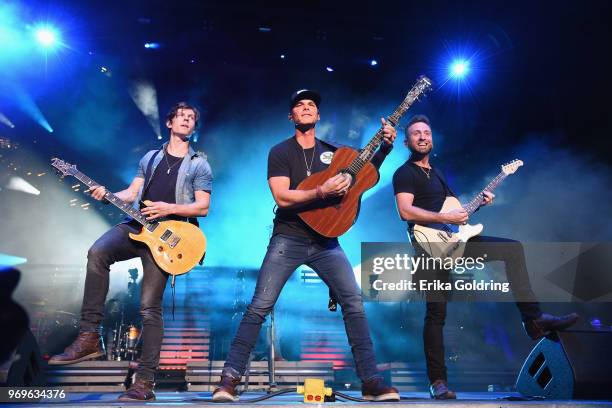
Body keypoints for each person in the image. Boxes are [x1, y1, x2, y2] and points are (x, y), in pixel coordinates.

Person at [212, 89, 399, 402]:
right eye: (300, 105)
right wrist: (321, 192)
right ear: (291, 116)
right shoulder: (280, 152)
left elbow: (364, 177)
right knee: (260, 306)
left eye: (312, 105)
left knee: (353, 303)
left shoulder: (335, 152)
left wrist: (385, 149)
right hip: (289, 236)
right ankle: (228, 380)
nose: (307, 108)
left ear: (318, 115)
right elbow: (282, 197)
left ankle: (371, 381)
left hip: (326, 242)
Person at [392, 114, 579, 399]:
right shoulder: (404, 173)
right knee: (436, 314)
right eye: (415, 133)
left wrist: (480, 203)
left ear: (432, 138)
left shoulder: (438, 174)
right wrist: (444, 216)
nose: (421, 136)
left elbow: (459, 214)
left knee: (512, 248)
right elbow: (405, 211)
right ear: (406, 141)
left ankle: (534, 319)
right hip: (427, 246)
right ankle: (437, 382)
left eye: (426, 132)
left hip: (453, 239)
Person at [48, 102, 212, 402]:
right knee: (97, 253)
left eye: (192, 119)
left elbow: (203, 206)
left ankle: (144, 383)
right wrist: (104, 193)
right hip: (137, 225)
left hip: (168, 237)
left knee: (150, 308)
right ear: (170, 123)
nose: (187, 121)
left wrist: (170, 208)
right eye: (182, 117)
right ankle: (89, 336)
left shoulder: (199, 164)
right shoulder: (150, 158)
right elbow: (131, 193)